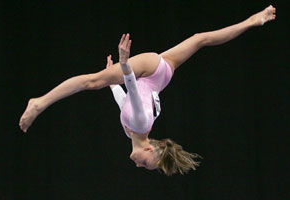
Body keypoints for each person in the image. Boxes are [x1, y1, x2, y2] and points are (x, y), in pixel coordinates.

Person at [19, 6, 276, 175]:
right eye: (145, 163)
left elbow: (124, 100)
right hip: (149, 72)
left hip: (162, 74)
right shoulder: (140, 124)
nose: (140, 165)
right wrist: (123, 65)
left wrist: (113, 82)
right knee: (91, 82)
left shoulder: (133, 129)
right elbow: (131, 89)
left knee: (200, 39)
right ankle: (40, 103)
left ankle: (252, 21)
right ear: (150, 149)